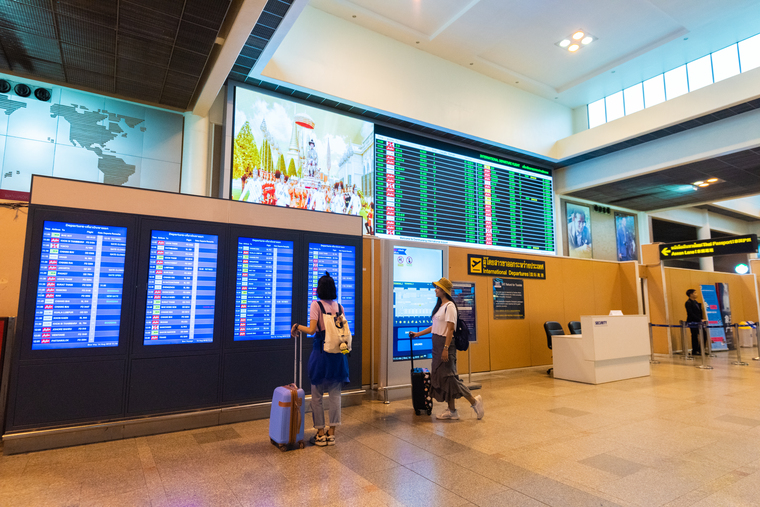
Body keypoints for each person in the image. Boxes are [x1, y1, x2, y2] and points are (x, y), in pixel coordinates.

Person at [409, 277, 484, 420]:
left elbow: (450, 330)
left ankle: (475, 402)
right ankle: (452, 410)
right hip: (437, 345)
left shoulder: (450, 306)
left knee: (450, 379)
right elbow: (435, 327)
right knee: (444, 379)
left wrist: (445, 348)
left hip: (445, 345)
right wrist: (418, 334)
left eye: (437, 288)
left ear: (444, 290)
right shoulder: (440, 307)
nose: (435, 290)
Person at [291, 272, 349, 446]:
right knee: (335, 394)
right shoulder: (339, 307)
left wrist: (296, 326)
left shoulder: (316, 305)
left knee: (316, 395)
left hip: (321, 354)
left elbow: (311, 330)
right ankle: (332, 433)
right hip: (338, 355)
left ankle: (320, 433)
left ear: (319, 289)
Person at [685, 289, 704, 355]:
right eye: (695, 293)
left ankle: (700, 349)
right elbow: (691, 313)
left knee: (703, 334)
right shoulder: (688, 303)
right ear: (691, 294)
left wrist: (701, 319)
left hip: (699, 322)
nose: (696, 294)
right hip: (692, 321)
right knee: (694, 336)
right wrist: (699, 319)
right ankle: (695, 350)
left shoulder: (696, 302)